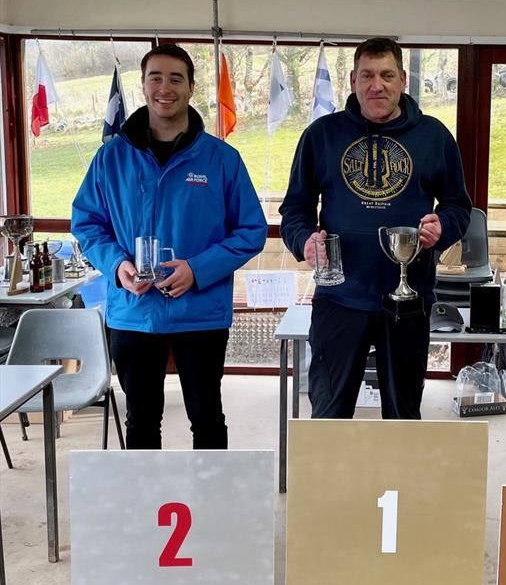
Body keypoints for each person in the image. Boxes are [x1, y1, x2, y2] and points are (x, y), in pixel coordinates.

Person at [72, 44, 268, 449]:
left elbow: (251, 229)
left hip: (201, 313)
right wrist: (117, 267)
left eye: (176, 78)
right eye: (155, 77)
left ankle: (211, 505)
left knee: (207, 417)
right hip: (133, 313)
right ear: (143, 86)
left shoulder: (222, 159)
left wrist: (198, 269)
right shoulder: (111, 158)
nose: (165, 87)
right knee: (141, 421)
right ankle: (146, 510)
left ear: (191, 88)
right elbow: (87, 222)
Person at [280, 37, 471, 420]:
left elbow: (458, 207)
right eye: (367, 75)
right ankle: (331, 483)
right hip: (339, 297)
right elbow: (295, 210)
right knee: (329, 412)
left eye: (386, 75)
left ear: (402, 79)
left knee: (402, 414)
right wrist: (305, 242)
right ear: (352, 80)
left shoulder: (434, 137)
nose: (376, 85)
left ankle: (398, 482)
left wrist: (442, 228)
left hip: (408, 298)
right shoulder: (321, 136)